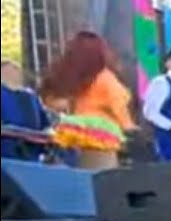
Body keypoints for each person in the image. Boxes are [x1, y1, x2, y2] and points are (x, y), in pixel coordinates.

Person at [38, 31, 136, 170]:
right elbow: (118, 105)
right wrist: (129, 129)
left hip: (73, 128)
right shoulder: (105, 77)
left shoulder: (66, 75)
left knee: (80, 174)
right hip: (101, 130)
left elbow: (51, 103)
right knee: (102, 179)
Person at [1, 59, 52, 160]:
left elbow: (46, 124)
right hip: (6, 153)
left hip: (31, 154)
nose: (17, 70)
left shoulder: (31, 96)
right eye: (13, 67)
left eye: (17, 68)